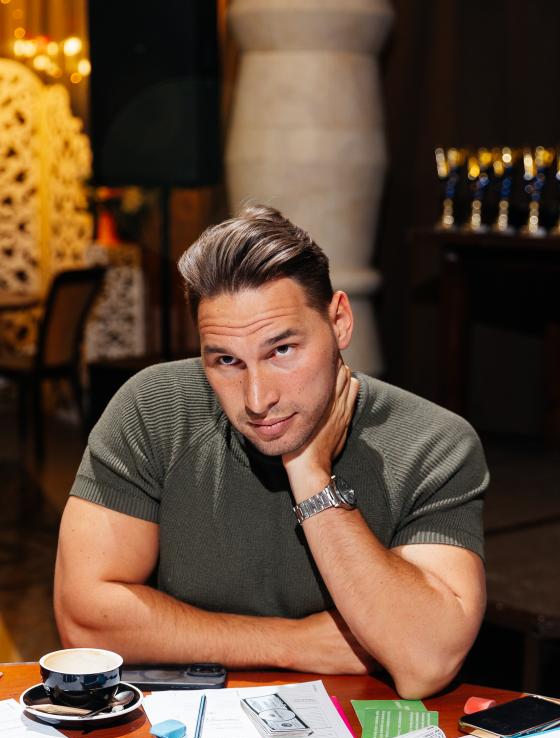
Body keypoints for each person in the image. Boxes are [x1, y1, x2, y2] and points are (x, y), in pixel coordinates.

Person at [54, 205, 488, 699]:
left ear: (339, 321)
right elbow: (85, 623)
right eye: (227, 360)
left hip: (361, 731)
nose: (258, 400)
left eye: (282, 351)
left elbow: (426, 661)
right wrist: (294, 643)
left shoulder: (434, 442)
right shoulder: (153, 408)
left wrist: (311, 474)